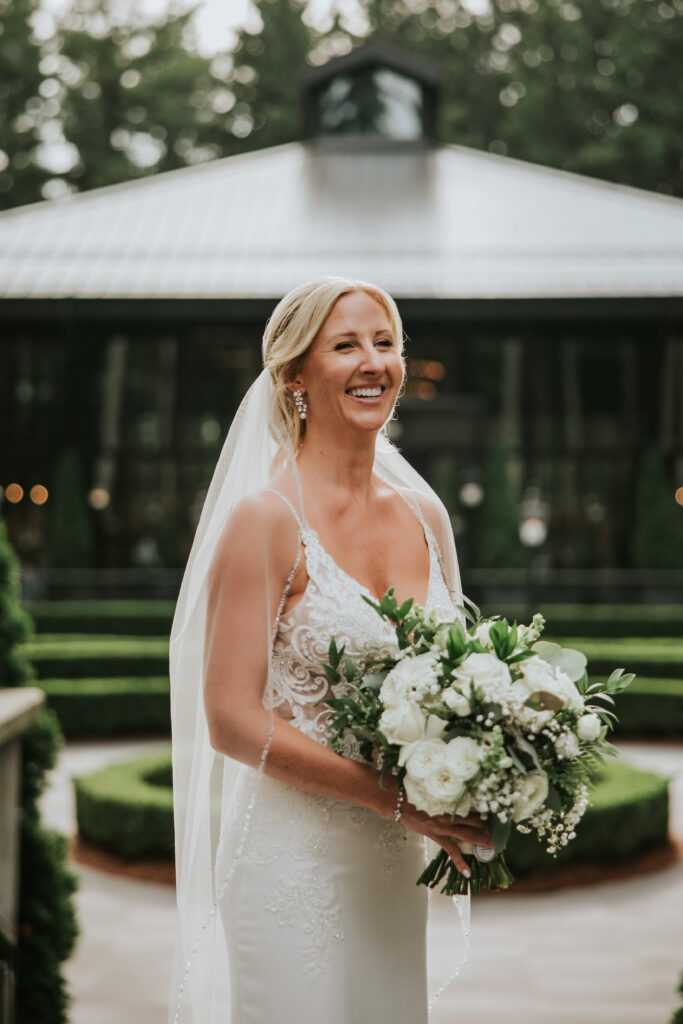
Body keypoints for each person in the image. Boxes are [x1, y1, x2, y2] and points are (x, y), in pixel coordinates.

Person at [168, 277, 493, 1024]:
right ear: (295, 378)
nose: (372, 361)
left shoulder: (425, 513)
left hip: (392, 865)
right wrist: (396, 799)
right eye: (344, 345)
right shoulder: (265, 519)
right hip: (294, 862)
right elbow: (231, 721)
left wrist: (473, 783)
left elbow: (458, 684)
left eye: (385, 342)